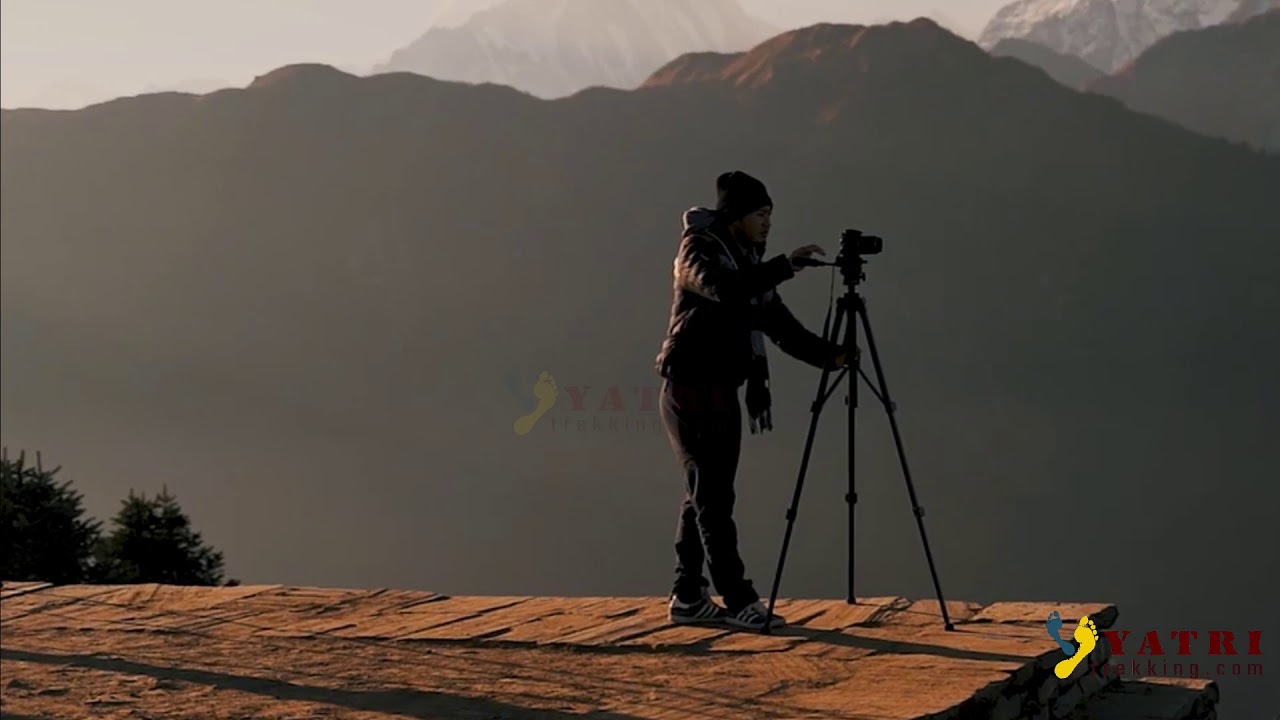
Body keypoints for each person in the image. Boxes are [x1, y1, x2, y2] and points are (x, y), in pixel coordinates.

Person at [654, 170, 848, 630]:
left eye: (770, 215)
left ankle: (688, 596)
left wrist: (831, 356)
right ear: (736, 215)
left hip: (722, 388)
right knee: (712, 498)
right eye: (760, 214)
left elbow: (778, 325)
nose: (768, 223)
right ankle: (739, 598)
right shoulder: (698, 251)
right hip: (690, 388)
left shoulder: (748, 260)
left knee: (705, 494)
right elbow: (723, 290)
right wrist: (785, 265)